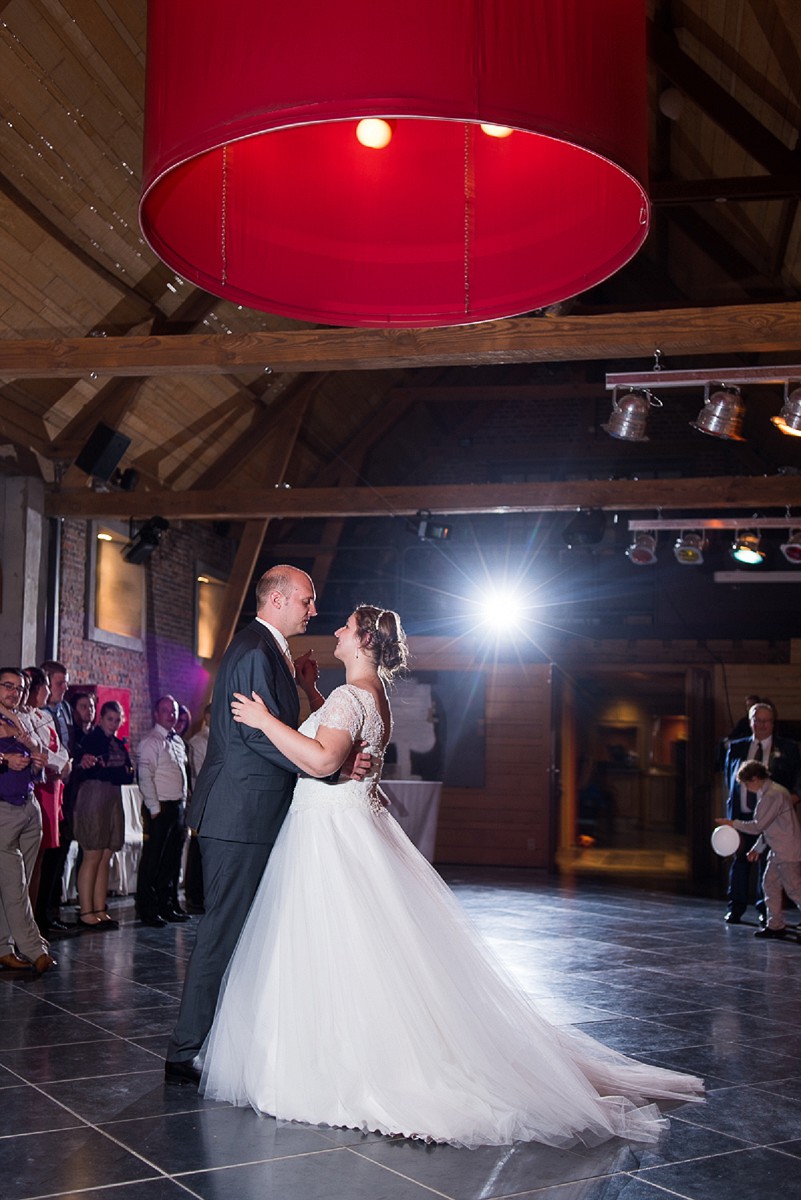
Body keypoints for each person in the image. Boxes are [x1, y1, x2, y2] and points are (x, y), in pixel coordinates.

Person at [199, 607, 704, 1148]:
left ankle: (346, 1062)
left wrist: (265, 720)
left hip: (329, 833)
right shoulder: (368, 694)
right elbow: (340, 741)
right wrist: (313, 696)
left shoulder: (353, 696)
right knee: (362, 949)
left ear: (365, 638)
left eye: (345, 626)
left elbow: (324, 761)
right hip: (342, 825)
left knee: (338, 947)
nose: (335, 630)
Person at [165, 565, 367, 1085]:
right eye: (307, 600)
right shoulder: (256, 650)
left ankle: (227, 1041)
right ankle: (185, 1051)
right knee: (221, 932)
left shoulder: (268, 649)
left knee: (243, 932)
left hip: (252, 812)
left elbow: (273, 730)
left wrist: (303, 691)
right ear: (277, 600)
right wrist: (328, 770)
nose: (314, 610)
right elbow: (256, 740)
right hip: (239, 814)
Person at [722, 700, 801, 925]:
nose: (762, 725)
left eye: (766, 721)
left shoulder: (788, 748)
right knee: (740, 862)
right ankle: (735, 908)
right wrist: (732, 819)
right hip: (743, 814)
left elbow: (798, 779)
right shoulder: (736, 747)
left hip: (772, 821)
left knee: (772, 872)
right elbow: (731, 780)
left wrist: (792, 798)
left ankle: (766, 911)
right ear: (750, 722)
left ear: (773, 723)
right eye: (757, 720)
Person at [0, 667, 55, 974]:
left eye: (19, 688)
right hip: (3, 810)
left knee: (12, 885)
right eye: (8, 686)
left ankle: (4, 946)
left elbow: (38, 767)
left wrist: (35, 761)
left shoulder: (20, 719)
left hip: (29, 806)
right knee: (15, 885)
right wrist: (6, 760)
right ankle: (35, 949)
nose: (14, 692)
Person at [717, 760, 801, 940]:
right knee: (769, 885)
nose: (747, 788)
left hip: (786, 850)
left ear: (755, 779)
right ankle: (775, 925)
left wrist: (732, 823)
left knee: (795, 889)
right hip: (778, 848)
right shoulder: (773, 792)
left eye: (747, 784)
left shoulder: (772, 795)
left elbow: (758, 826)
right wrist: (758, 848)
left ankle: (776, 924)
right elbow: (770, 827)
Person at [72, 699, 134, 930]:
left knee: (106, 854)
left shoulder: (117, 742)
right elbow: (96, 769)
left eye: (117, 720)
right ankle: (86, 910)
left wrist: (114, 770)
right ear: (101, 718)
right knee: (92, 854)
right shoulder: (92, 739)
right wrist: (115, 771)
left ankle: (100, 908)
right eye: (110, 719)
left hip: (112, 798)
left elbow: (127, 774)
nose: (114, 723)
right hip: (94, 797)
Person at [135, 695, 190, 928]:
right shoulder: (151, 741)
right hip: (160, 807)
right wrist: (154, 808)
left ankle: (169, 904)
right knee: (153, 860)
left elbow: (182, 774)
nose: (171, 714)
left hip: (177, 805)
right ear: (156, 714)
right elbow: (145, 776)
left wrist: (185, 803)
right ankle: (149, 909)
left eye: (174, 710)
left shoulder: (176, 740)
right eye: (166, 710)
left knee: (172, 859)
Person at [23, 667, 70, 933]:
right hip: (38, 788)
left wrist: (64, 762)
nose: (50, 693)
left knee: (42, 857)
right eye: (47, 688)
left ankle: (36, 914)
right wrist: (58, 762)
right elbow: (37, 751)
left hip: (52, 788)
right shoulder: (23, 719)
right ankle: (24, 919)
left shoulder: (44, 716)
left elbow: (59, 749)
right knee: (30, 856)